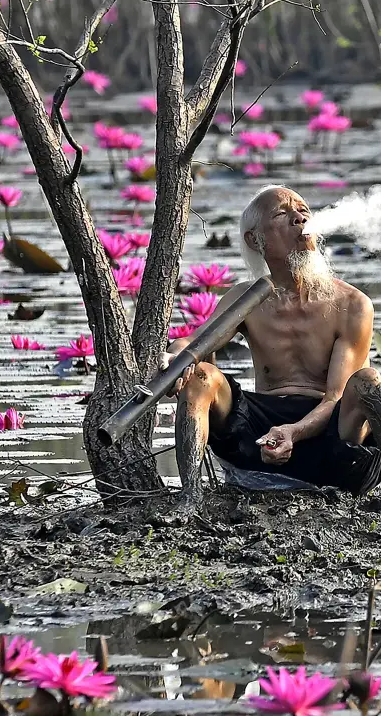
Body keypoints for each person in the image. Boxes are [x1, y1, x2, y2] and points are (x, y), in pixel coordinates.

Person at [160, 184, 381, 509]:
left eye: (303, 211)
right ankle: (191, 499)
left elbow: (336, 397)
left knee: (369, 382)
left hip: (330, 435)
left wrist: (294, 431)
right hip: (259, 433)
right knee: (201, 375)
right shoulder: (244, 298)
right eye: (282, 213)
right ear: (255, 239)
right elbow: (197, 342)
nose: (299, 218)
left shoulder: (352, 304)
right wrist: (174, 358)